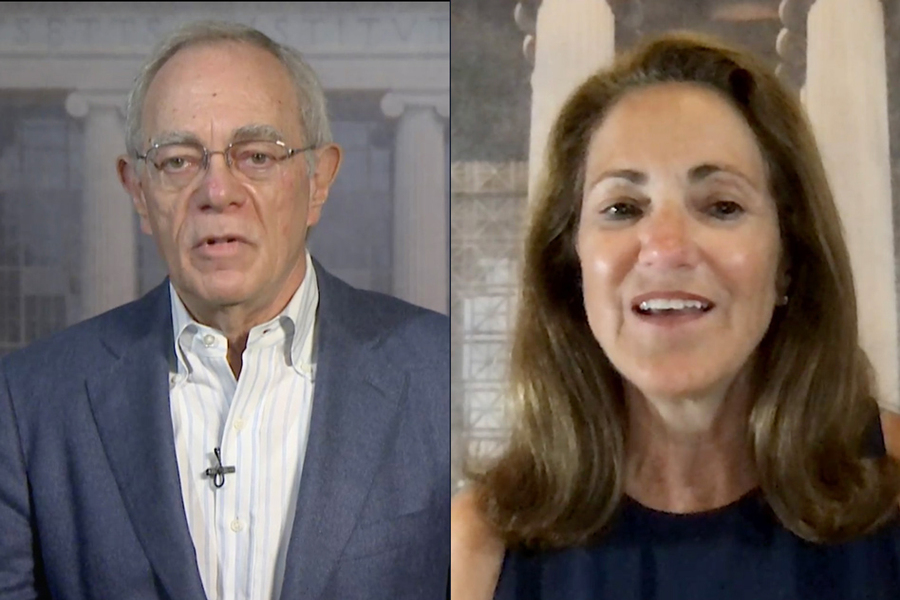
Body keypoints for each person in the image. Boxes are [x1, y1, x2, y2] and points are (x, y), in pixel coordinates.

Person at [0, 20, 449, 600]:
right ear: (137, 191)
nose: (218, 191)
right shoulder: (26, 404)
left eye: (257, 156)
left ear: (318, 180)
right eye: (178, 161)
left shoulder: (438, 375)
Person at [451, 32, 900, 600]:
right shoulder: (476, 549)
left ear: (789, 260)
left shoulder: (891, 486)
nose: (664, 247)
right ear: (572, 265)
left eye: (721, 206)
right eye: (622, 208)